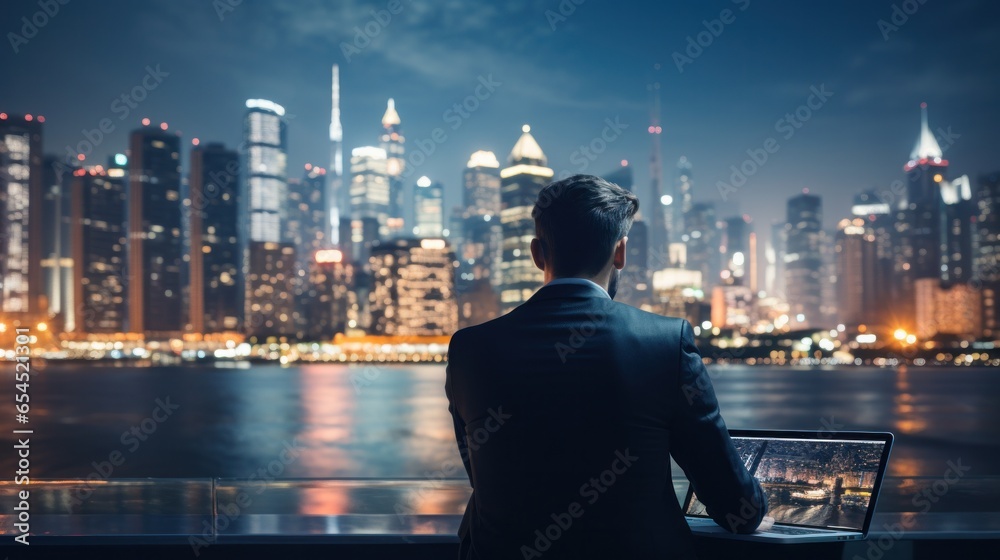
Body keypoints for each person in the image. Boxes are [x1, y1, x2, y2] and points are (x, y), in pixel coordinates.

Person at [445, 174, 770, 559]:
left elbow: (483, 478)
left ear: (537, 253)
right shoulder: (666, 342)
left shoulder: (470, 348)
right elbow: (736, 508)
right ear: (621, 252)